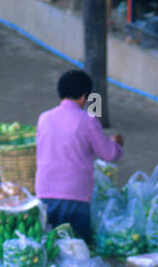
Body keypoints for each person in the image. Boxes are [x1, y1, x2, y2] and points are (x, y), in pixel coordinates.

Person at [35, 69, 123, 244]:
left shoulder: (44, 118)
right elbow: (108, 153)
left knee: (50, 246)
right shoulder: (88, 120)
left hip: (45, 191)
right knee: (77, 247)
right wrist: (118, 143)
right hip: (75, 194)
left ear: (60, 93)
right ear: (84, 96)